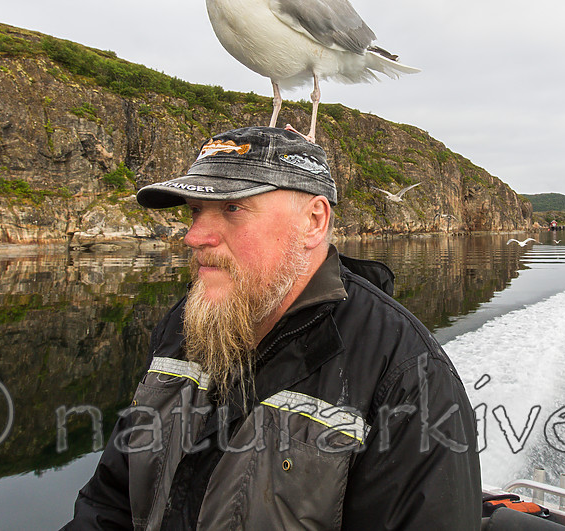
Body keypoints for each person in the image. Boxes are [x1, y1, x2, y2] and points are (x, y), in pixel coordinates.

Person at [64, 126, 482, 530]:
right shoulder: (185, 326)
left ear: (314, 222)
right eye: (194, 211)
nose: (194, 237)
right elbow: (110, 502)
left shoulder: (405, 373)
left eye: (232, 208)